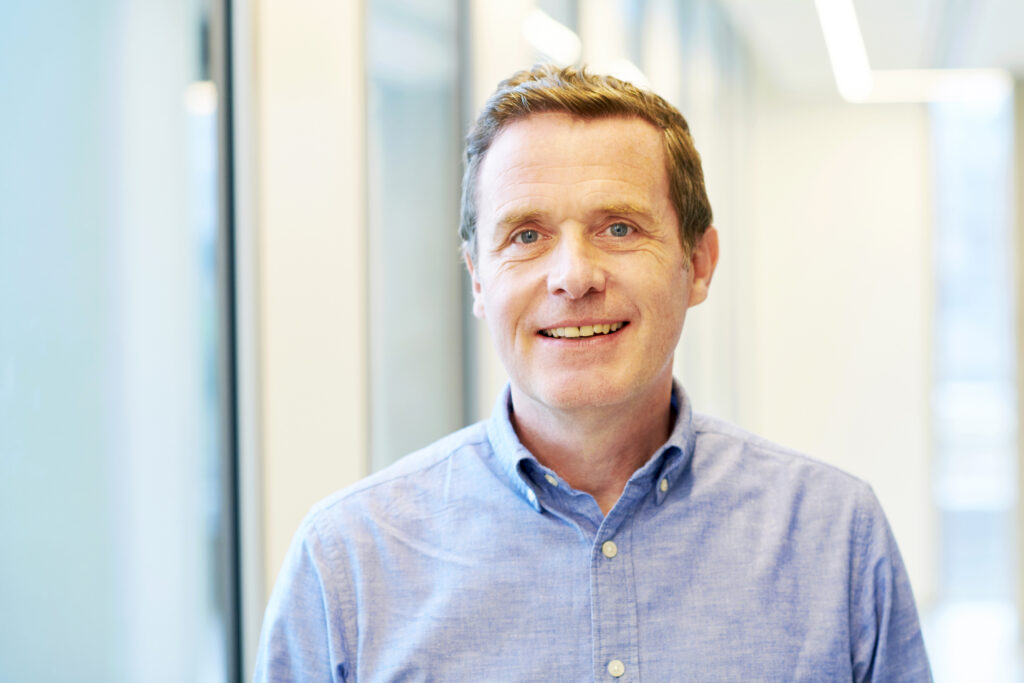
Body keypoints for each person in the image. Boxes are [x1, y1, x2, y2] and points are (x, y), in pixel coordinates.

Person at [254, 65, 931, 681]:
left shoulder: (835, 537)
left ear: (698, 263)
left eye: (619, 228)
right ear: (478, 280)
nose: (574, 276)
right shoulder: (345, 566)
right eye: (526, 235)